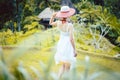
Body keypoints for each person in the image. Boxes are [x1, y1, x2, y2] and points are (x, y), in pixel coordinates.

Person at [49, 6, 77, 78]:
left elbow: (51, 23)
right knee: (68, 65)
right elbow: (71, 39)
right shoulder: (70, 25)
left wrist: (52, 16)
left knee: (63, 65)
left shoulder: (58, 23)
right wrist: (74, 50)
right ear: (68, 15)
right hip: (68, 45)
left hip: (61, 44)